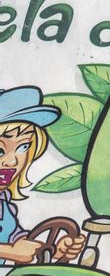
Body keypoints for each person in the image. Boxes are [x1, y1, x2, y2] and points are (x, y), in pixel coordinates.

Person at [0, 86, 85, 264]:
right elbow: (15, 249)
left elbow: (21, 244)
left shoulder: (5, 206)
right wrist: (8, 251)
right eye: (1, 150)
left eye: (23, 147)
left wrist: (55, 249)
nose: (12, 162)